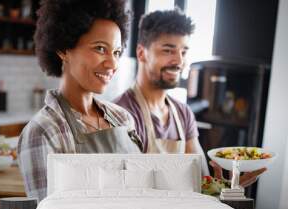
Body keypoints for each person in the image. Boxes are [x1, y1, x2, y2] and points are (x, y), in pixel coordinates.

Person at [114, 9, 266, 186]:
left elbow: (202, 181)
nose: (179, 61)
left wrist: (228, 186)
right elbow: (127, 190)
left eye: (183, 52)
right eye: (168, 51)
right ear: (141, 53)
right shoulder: (121, 115)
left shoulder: (183, 114)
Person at [18, 0, 142, 201]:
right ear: (63, 49)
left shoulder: (123, 119)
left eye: (116, 52)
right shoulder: (43, 131)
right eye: (100, 48)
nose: (112, 63)